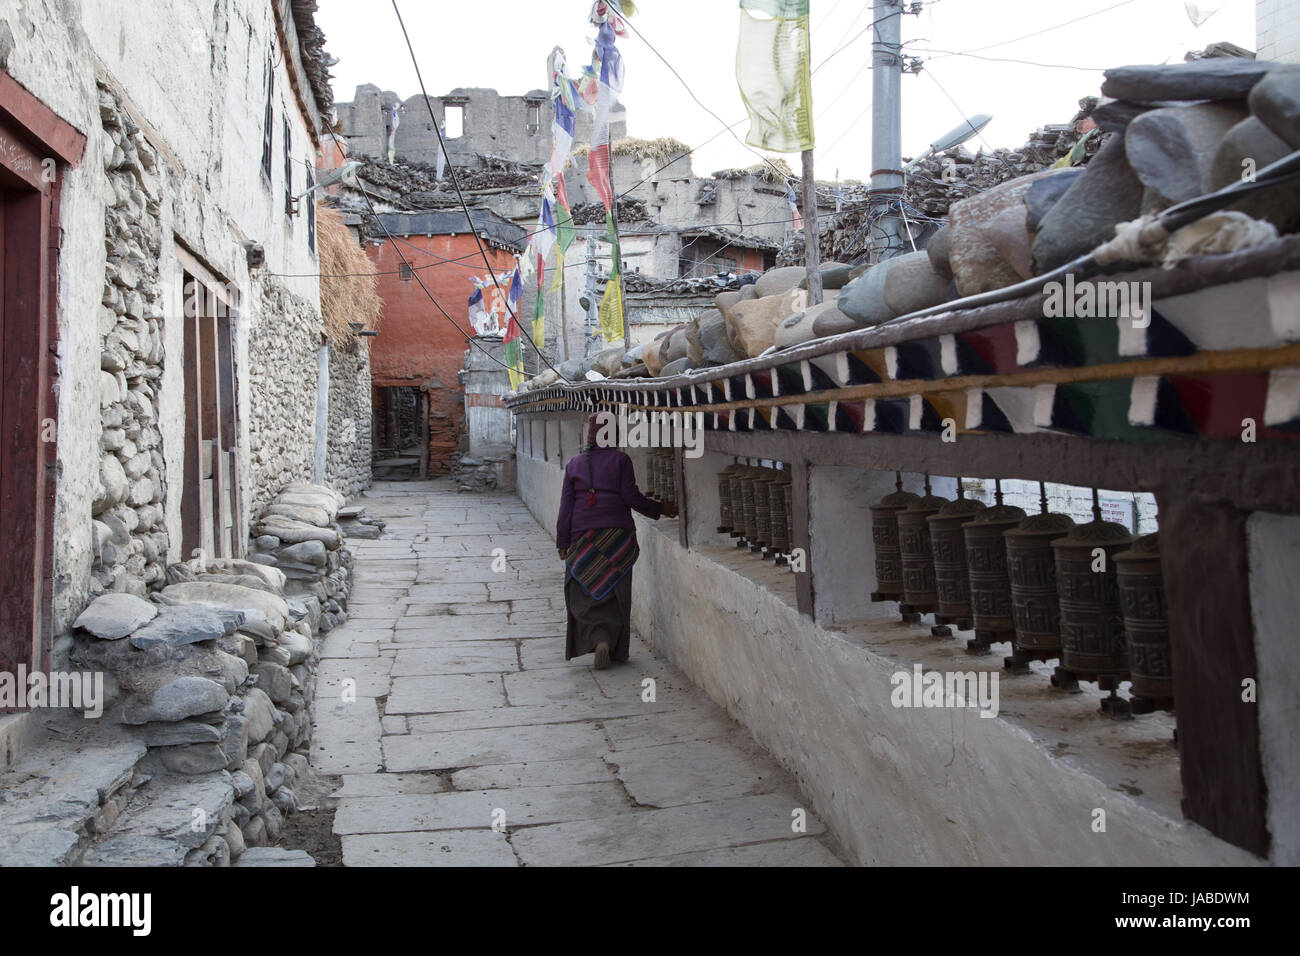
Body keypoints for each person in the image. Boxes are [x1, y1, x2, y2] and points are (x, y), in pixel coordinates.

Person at [555, 413, 677, 669]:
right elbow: (631, 497)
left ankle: (596, 638)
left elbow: (565, 507)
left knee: (582, 592)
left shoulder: (574, 464)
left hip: (582, 538)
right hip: (617, 539)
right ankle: (611, 643)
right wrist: (660, 508)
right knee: (615, 592)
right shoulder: (621, 460)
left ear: (590, 434)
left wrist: (563, 541)